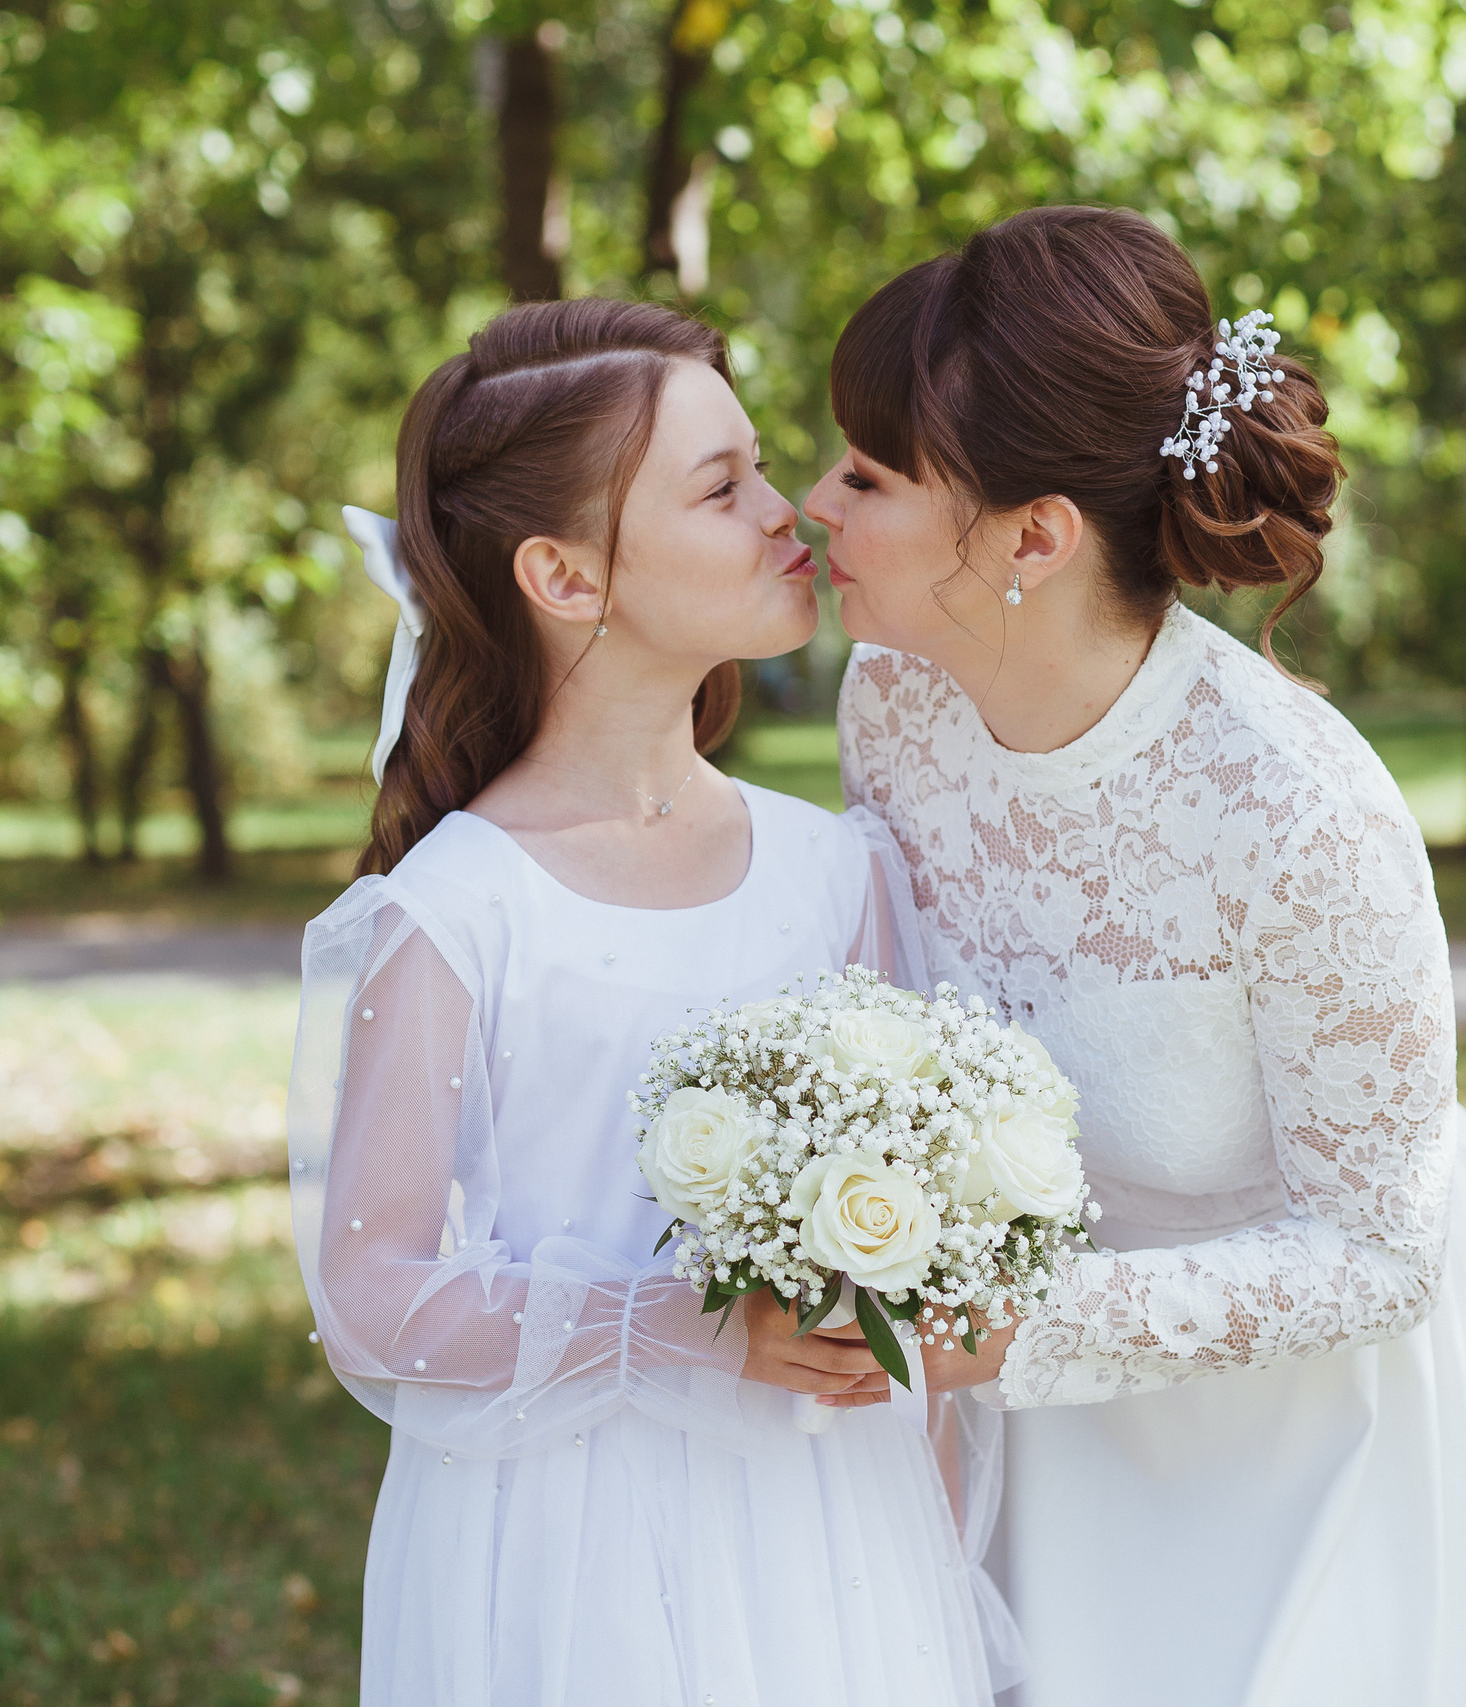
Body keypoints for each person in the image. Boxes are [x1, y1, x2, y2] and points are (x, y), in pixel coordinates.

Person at [808, 206, 1466, 1707]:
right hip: (1059, 1422)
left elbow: (1380, 1253)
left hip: (1333, 1420)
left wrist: (1011, 1329)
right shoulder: (895, 705)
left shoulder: (1292, 806)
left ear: (1033, 536)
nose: (814, 501)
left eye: (869, 476)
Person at [285, 299, 1001, 1707]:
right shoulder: (459, 910)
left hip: (827, 1537)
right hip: (573, 1554)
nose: (787, 508)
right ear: (563, 574)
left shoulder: (831, 869)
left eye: (761, 466)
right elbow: (370, 1298)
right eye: (720, 487)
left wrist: (936, 1572)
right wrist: (682, 1329)